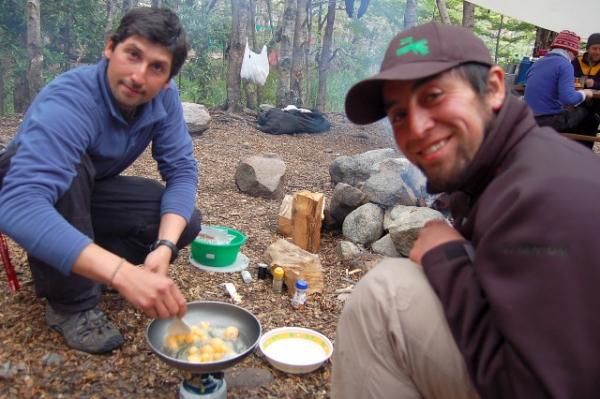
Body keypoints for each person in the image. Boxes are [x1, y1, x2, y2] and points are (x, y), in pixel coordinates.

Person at [332, 22, 600, 398]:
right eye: (399, 115)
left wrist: (449, 260)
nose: (417, 128)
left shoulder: (548, 195)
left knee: (386, 293)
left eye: (434, 96)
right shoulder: (505, 170)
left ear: (492, 88)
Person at [0, 7, 202, 354]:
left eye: (157, 67)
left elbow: (181, 170)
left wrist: (164, 247)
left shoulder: (164, 100)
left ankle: (88, 265)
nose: (139, 76)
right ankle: (72, 304)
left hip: (89, 189)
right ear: (110, 47)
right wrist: (124, 273)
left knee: (183, 222)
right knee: (73, 170)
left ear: (168, 79)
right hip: (33, 181)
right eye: (132, 55)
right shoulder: (72, 98)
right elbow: (17, 203)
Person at [523, 30, 599, 148]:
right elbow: (569, 99)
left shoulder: (538, 62)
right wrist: (585, 93)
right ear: (569, 51)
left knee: (572, 112)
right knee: (586, 112)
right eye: (574, 53)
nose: (574, 57)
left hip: (528, 117)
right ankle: (580, 150)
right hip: (549, 119)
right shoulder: (565, 64)